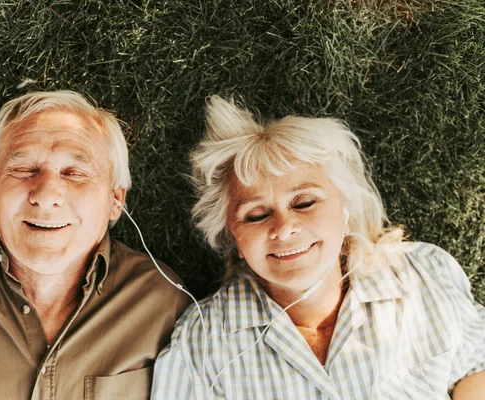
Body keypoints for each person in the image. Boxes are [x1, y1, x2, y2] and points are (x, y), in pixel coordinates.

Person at [151, 96, 485, 399]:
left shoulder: (421, 274)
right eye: (256, 215)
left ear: (346, 210)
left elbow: (477, 365)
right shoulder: (203, 341)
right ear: (233, 239)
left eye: (305, 202)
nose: (283, 228)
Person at [0, 90, 190, 399]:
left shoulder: (163, 304)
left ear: (115, 200)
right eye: (24, 170)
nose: (45, 195)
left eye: (75, 173)